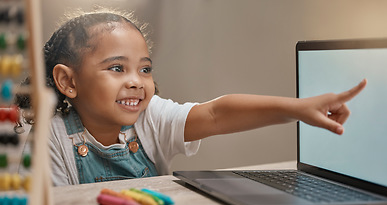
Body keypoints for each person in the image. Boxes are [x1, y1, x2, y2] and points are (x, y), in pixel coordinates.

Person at [16, 9, 367, 186]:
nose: (137, 82)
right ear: (68, 81)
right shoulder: (52, 140)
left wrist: (297, 109)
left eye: (145, 69)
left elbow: (216, 114)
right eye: (117, 69)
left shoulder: (151, 117)